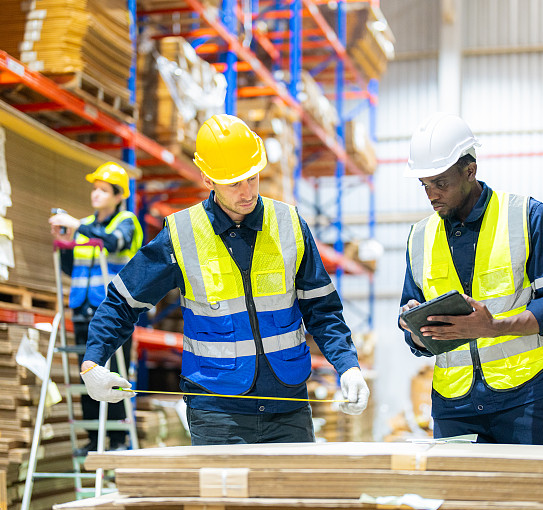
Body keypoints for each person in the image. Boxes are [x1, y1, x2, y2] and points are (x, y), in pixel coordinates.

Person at [78, 114, 370, 445]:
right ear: (207, 179)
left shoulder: (289, 225)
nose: (247, 191)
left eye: (252, 177)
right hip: (216, 414)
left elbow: (323, 309)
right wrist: (93, 361)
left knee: (289, 498)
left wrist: (348, 366)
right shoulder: (181, 235)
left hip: (288, 407)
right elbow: (122, 301)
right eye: (234, 183)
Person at [398, 113, 543, 445]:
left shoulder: (528, 216)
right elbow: (413, 332)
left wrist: (493, 328)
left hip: (525, 398)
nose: (432, 195)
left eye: (440, 183)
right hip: (454, 408)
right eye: (425, 185)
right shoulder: (419, 236)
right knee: (457, 498)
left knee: (529, 495)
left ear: (470, 171)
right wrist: (418, 332)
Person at [49, 161, 143, 455]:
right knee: (87, 374)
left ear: (118, 196)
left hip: (112, 313)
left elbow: (115, 244)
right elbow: (70, 267)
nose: (96, 195)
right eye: (94, 189)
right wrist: (65, 242)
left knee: (114, 373)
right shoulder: (84, 226)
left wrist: (79, 227)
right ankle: (94, 439)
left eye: (103, 190)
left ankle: (116, 440)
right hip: (81, 309)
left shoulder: (126, 221)